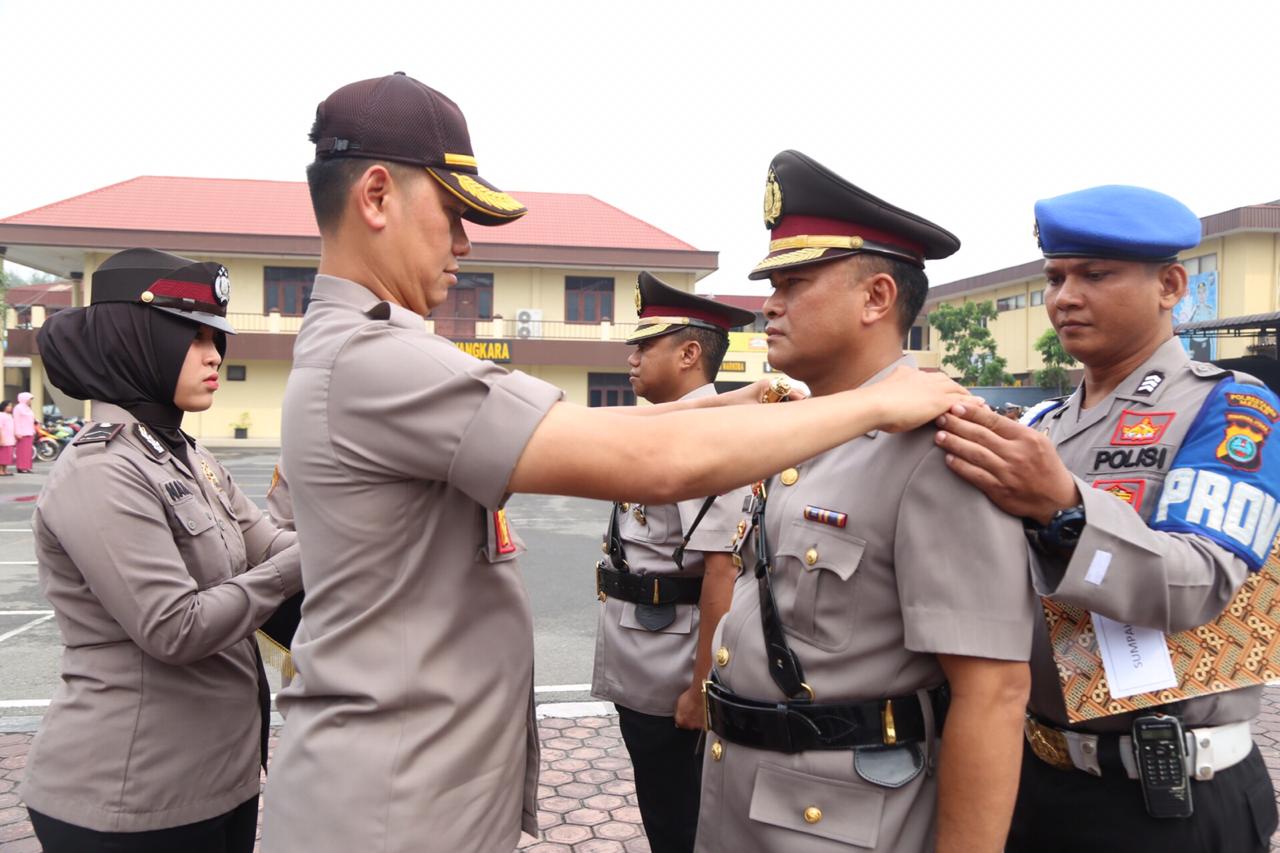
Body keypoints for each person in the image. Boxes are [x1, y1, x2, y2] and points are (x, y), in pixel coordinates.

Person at [260, 74, 975, 853]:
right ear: (376, 196)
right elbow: (646, 458)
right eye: (454, 212)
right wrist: (876, 403)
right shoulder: (380, 359)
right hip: (388, 807)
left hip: (399, 782)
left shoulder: (356, 351)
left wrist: (739, 402)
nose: (464, 242)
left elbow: (598, 427)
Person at [694, 151, 1038, 853]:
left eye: (793, 283)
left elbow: (993, 693)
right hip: (744, 798)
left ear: (876, 298)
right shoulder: (803, 426)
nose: (769, 304)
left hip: (842, 821)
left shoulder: (937, 447)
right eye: (772, 285)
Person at [935, 185, 1280, 853]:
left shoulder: (1230, 409)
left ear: (1170, 285)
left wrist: (1064, 509)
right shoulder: (1041, 425)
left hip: (1166, 799)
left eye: (1095, 274)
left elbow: (1200, 583)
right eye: (1055, 277)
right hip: (1038, 778)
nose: (1065, 296)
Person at [20, 248, 302, 853]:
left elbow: (272, 546)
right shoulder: (102, 469)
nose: (214, 355)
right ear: (134, 340)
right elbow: (173, 628)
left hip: (216, 781)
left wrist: (339, 499)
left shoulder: (187, 455)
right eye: (192, 337)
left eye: (215, 337)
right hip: (129, 800)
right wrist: (308, 558)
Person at [590, 271, 756, 852]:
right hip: (646, 656)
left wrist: (701, 688)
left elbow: (722, 571)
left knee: (681, 822)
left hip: (674, 667)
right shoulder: (670, 425)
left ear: (690, 353)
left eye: (645, 344)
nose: (631, 357)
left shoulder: (704, 434)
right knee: (663, 809)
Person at [14, 391, 35, 472]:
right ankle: (21, 467)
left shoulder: (28, 408)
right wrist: (17, 432)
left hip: (29, 432)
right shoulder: (18, 408)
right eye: (29, 399)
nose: (30, 401)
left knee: (28, 451)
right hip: (22, 433)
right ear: (24, 399)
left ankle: (27, 467)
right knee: (22, 451)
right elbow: (16, 421)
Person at [0, 401, 15, 475]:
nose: (10, 407)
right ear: (4, 406)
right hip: (3, 437)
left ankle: (5, 470)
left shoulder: (9, 415)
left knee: (7, 455)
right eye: (9, 406)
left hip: (10, 438)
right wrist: (1, 439)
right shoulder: (1, 415)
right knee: (2, 455)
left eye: (11, 406)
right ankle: (0, 470)